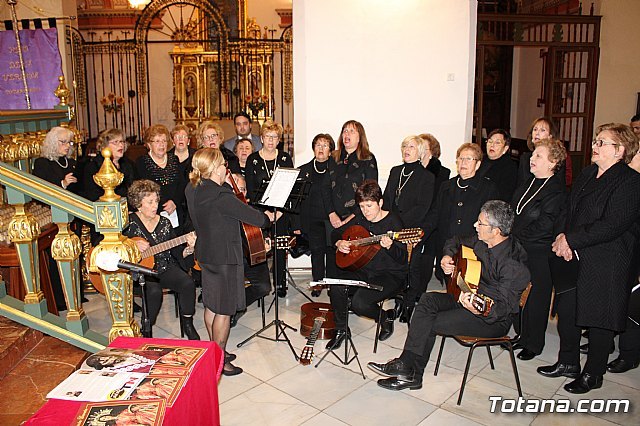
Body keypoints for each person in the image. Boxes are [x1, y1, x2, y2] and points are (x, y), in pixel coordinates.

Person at [368, 200, 530, 391]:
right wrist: (447, 256)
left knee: (431, 322)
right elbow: (455, 240)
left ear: (496, 231)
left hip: (492, 320)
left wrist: (478, 309)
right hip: (468, 296)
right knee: (427, 300)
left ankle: (409, 373)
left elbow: (502, 309)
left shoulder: (513, 265)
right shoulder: (482, 241)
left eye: (480, 223)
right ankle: (406, 368)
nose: (475, 225)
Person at [539, 123, 640, 394]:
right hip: (574, 254)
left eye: (601, 142)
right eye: (595, 141)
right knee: (568, 310)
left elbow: (612, 225)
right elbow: (568, 209)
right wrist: (561, 236)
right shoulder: (587, 173)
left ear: (620, 150)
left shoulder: (631, 182)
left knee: (599, 319)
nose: (594, 146)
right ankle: (568, 362)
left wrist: (571, 240)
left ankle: (593, 374)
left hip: (608, 260)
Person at [185, 148, 271, 376]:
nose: (226, 168)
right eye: (223, 164)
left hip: (206, 254)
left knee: (211, 305)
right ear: (215, 169)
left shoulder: (192, 188)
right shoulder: (222, 197)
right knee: (223, 311)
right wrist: (269, 217)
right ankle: (220, 360)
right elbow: (258, 219)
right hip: (224, 258)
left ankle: (213, 350)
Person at [326, 180, 408, 349]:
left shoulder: (393, 222)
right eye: (362, 206)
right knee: (336, 286)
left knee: (359, 304)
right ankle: (341, 330)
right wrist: (339, 242)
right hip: (364, 270)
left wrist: (391, 247)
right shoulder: (360, 218)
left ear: (380, 203)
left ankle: (384, 317)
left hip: (390, 274)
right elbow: (336, 233)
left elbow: (403, 259)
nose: (365, 211)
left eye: (369, 206)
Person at [510, 138, 567, 361]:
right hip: (519, 248)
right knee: (519, 293)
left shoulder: (556, 190)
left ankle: (534, 343)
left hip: (539, 253)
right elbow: (514, 212)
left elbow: (545, 225)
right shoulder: (529, 182)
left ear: (553, 162)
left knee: (536, 299)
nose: (531, 159)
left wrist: (514, 237)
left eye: (538, 156)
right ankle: (521, 335)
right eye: (533, 155)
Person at [123, 180, 200, 340]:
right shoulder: (128, 222)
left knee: (187, 283)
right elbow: (110, 243)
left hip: (165, 267)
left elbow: (177, 252)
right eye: (150, 202)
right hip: (141, 272)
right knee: (154, 292)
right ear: (138, 204)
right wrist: (131, 243)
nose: (155, 206)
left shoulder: (165, 222)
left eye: (156, 201)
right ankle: (146, 329)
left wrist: (189, 248)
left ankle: (188, 323)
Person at [420, 143, 499, 289]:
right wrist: (421, 234)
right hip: (446, 248)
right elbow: (435, 214)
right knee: (450, 289)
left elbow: (491, 223)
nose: (463, 162)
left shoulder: (488, 188)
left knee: (467, 290)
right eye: (461, 158)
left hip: (472, 251)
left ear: (478, 164)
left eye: (469, 159)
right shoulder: (446, 186)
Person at [400, 133, 452, 323]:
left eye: (424, 148)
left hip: (429, 223)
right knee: (405, 264)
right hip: (409, 223)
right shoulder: (409, 171)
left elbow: (433, 203)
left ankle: (417, 298)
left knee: (420, 265)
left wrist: (422, 227)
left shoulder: (440, 173)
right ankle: (404, 299)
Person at [245, 120, 297, 297]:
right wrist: (265, 213)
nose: (271, 140)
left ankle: (280, 283)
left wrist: (279, 212)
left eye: (274, 137)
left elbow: (290, 187)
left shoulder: (285, 158)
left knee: (280, 247)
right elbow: (251, 190)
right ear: (261, 138)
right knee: (261, 247)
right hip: (260, 212)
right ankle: (261, 283)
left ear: (279, 140)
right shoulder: (252, 159)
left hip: (281, 211)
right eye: (267, 136)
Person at [323, 120, 378, 279]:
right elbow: (325, 188)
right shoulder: (333, 157)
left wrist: (350, 218)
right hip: (333, 217)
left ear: (360, 137)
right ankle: (334, 290)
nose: (347, 134)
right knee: (332, 255)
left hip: (357, 217)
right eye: (345, 131)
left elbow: (370, 191)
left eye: (352, 131)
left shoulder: (368, 158)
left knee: (351, 257)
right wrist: (331, 214)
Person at [228, 173, 272, 327]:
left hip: (252, 257)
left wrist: (266, 243)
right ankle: (231, 308)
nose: (239, 193)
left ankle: (239, 306)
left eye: (242, 189)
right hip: (232, 259)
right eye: (235, 190)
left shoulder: (252, 210)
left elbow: (263, 232)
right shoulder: (224, 212)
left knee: (264, 287)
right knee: (230, 285)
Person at [299, 134, 335, 294]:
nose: (321, 148)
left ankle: (333, 285)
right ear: (313, 148)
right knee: (317, 252)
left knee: (332, 253)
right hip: (312, 218)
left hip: (332, 219)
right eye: (318, 145)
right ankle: (318, 283)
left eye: (325, 145)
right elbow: (298, 199)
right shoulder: (303, 170)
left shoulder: (336, 169)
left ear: (330, 151)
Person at [135, 125, 187, 234]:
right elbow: (142, 191)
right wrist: (162, 205)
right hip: (153, 213)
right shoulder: (142, 162)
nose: (161, 144)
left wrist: (174, 202)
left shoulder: (174, 159)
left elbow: (182, 184)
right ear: (149, 144)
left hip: (175, 211)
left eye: (164, 141)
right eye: (157, 141)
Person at [82, 128, 136, 203]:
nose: (121, 145)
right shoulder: (94, 166)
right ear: (104, 146)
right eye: (115, 142)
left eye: (122, 142)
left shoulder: (128, 164)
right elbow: (93, 195)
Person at [517, 116, 572, 188]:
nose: (537, 133)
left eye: (542, 130)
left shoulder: (556, 158)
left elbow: (559, 185)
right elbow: (520, 186)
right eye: (535, 129)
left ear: (550, 136)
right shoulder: (525, 158)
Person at [33, 126, 78, 191]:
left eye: (69, 142)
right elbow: (40, 188)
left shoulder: (71, 162)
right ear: (53, 143)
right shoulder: (42, 163)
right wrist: (63, 184)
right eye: (63, 142)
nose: (68, 146)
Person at [477, 129, 518, 201]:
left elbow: (504, 195)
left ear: (505, 148)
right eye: (490, 141)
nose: (492, 145)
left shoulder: (510, 167)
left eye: (497, 143)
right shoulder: (480, 160)